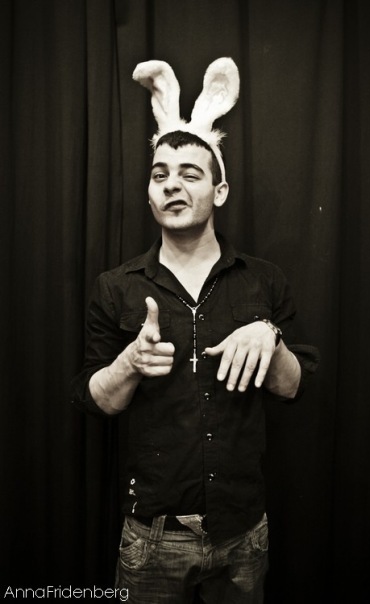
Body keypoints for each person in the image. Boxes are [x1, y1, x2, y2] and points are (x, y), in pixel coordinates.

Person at [71, 58, 319, 604]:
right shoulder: (115, 287)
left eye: (189, 173)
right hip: (152, 541)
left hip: (243, 535)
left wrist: (270, 335)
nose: (172, 185)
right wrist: (128, 364)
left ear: (219, 190)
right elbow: (93, 400)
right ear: (149, 193)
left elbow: (293, 387)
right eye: (160, 175)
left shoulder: (263, 281)